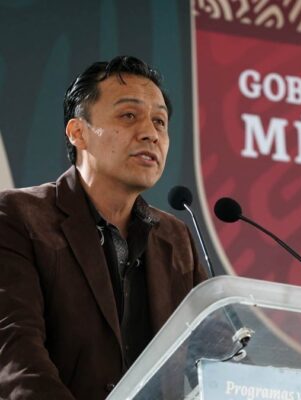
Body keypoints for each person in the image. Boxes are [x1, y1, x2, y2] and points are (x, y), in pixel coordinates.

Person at [0, 56, 207, 399]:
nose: (150, 133)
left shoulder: (176, 238)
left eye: (160, 122)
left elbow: (214, 358)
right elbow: (15, 351)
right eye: (129, 116)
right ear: (77, 132)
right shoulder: (18, 216)